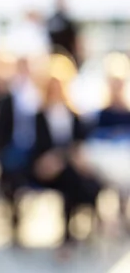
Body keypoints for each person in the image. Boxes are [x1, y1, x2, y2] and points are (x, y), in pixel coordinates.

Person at [30, 54, 100, 260]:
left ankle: (73, 233)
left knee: (81, 180)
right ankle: (68, 236)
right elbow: (38, 147)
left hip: (70, 167)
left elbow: (80, 143)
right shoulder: (39, 116)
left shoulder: (74, 114)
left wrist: (68, 157)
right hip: (46, 169)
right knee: (72, 180)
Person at [0, 56, 42, 245]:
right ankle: (15, 221)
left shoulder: (38, 95)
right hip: (14, 148)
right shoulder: (8, 97)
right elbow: (0, 129)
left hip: (35, 149)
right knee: (9, 179)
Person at [47, 0, 81, 67]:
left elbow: (76, 41)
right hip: (55, 59)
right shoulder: (51, 19)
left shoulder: (71, 19)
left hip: (69, 59)